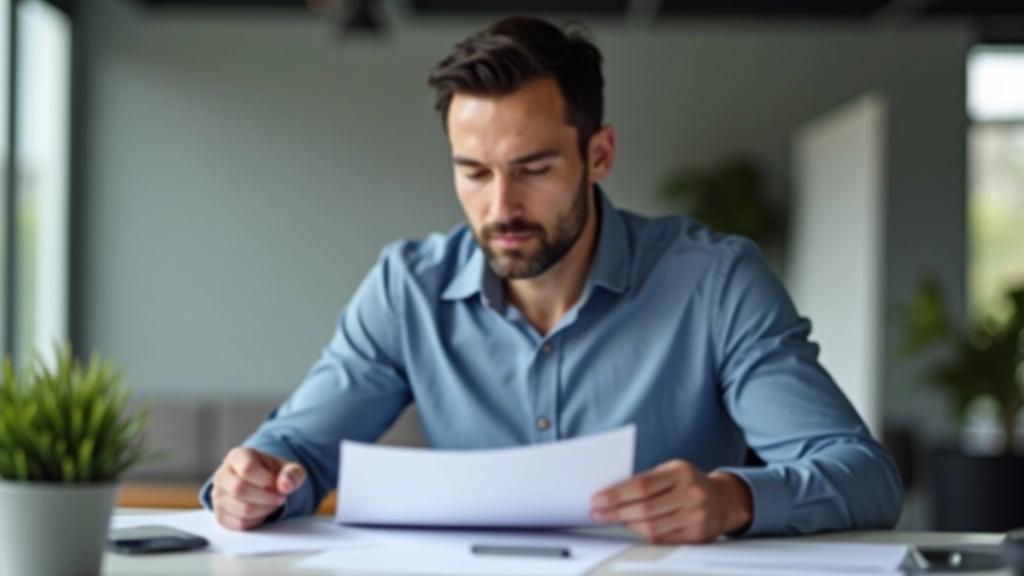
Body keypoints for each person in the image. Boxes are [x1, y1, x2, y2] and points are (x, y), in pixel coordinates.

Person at [200, 16, 902, 543]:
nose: (500, 208)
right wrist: (255, 482)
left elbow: (864, 475)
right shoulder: (406, 287)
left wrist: (732, 500)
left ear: (599, 155)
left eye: (533, 169)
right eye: (473, 172)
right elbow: (296, 448)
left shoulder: (715, 283)